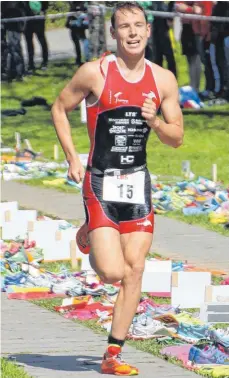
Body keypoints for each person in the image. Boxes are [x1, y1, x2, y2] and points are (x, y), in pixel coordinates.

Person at [51, 2, 183, 375]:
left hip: (136, 184)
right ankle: (93, 233)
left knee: (135, 269)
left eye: (138, 25)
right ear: (114, 33)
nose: (132, 33)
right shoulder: (95, 74)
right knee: (111, 273)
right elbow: (59, 108)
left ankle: (112, 355)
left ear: (148, 30)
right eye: (124, 27)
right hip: (100, 182)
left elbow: (176, 138)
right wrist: (73, 158)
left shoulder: (163, 80)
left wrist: (155, 121)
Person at [1, 1, 26, 81]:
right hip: (6, 23)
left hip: (14, 24)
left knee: (15, 49)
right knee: (6, 49)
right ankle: (9, 73)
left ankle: (19, 73)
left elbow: (20, 8)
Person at [24, 1, 49, 73]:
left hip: (39, 19)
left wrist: (43, 11)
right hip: (28, 20)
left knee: (42, 40)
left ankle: (45, 62)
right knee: (29, 42)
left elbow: (45, 4)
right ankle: (31, 64)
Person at [66, 1, 90, 66]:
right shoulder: (73, 6)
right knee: (78, 44)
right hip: (75, 28)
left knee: (84, 42)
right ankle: (79, 59)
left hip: (80, 27)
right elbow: (68, 21)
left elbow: (87, 20)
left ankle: (86, 59)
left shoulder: (83, 5)